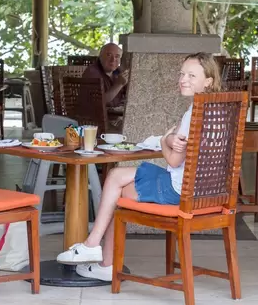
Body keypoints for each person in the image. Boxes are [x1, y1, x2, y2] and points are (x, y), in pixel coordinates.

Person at [56, 52, 222, 281]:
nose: (183, 79)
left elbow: (174, 160)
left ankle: (95, 249)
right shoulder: (219, 110)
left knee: (115, 183)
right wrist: (173, 138)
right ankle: (102, 259)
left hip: (180, 190)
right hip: (206, 192)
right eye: (182, 74)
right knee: (118, 187)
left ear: (208, 81)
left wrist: (165, 140)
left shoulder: (194, 113)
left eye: (192, 75)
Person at [82, 43, 129, 108]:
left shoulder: (118, 71)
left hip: (117, 113)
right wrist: (119, 84)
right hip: (96, 115)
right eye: (109, 55)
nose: (113, 60)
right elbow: (99, 102)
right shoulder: (92, 72)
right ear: (100, 56)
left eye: (117, 56)